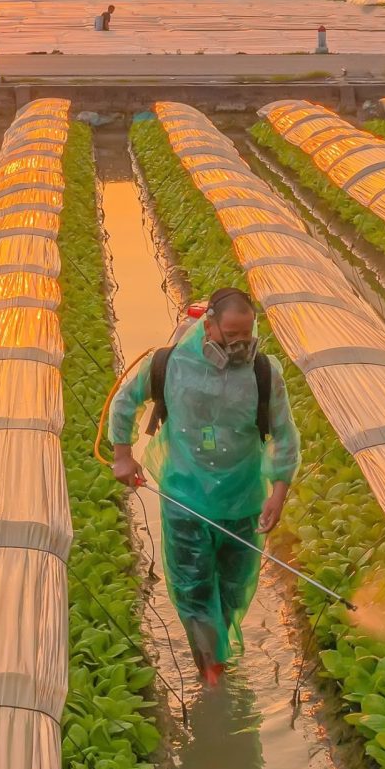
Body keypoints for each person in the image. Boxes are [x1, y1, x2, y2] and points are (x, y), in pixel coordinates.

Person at [107, 288, 301, 684]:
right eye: (230, 336)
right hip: (186, 499)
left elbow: (285, 435)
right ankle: (210, 669)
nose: (238, 346)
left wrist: (278, 493)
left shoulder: (263, 373)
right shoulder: (169, 363)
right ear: (207, 325)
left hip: (242, 500)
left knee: (232, 590)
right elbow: (124, 403)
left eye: (246, 337)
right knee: (194, 587)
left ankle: (217, 655)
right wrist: (123, 455)